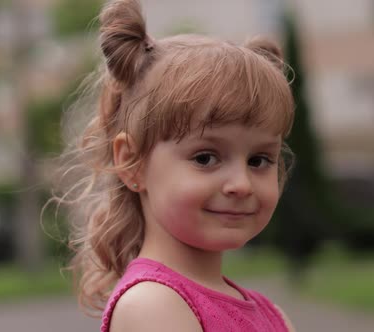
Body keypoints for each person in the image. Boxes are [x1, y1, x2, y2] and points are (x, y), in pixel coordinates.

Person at [50, 0, 296, 331]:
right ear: (132, 162)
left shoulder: (269, 312)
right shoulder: (154, 305)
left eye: (258, 160)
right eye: (205, 158)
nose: (242, 183)